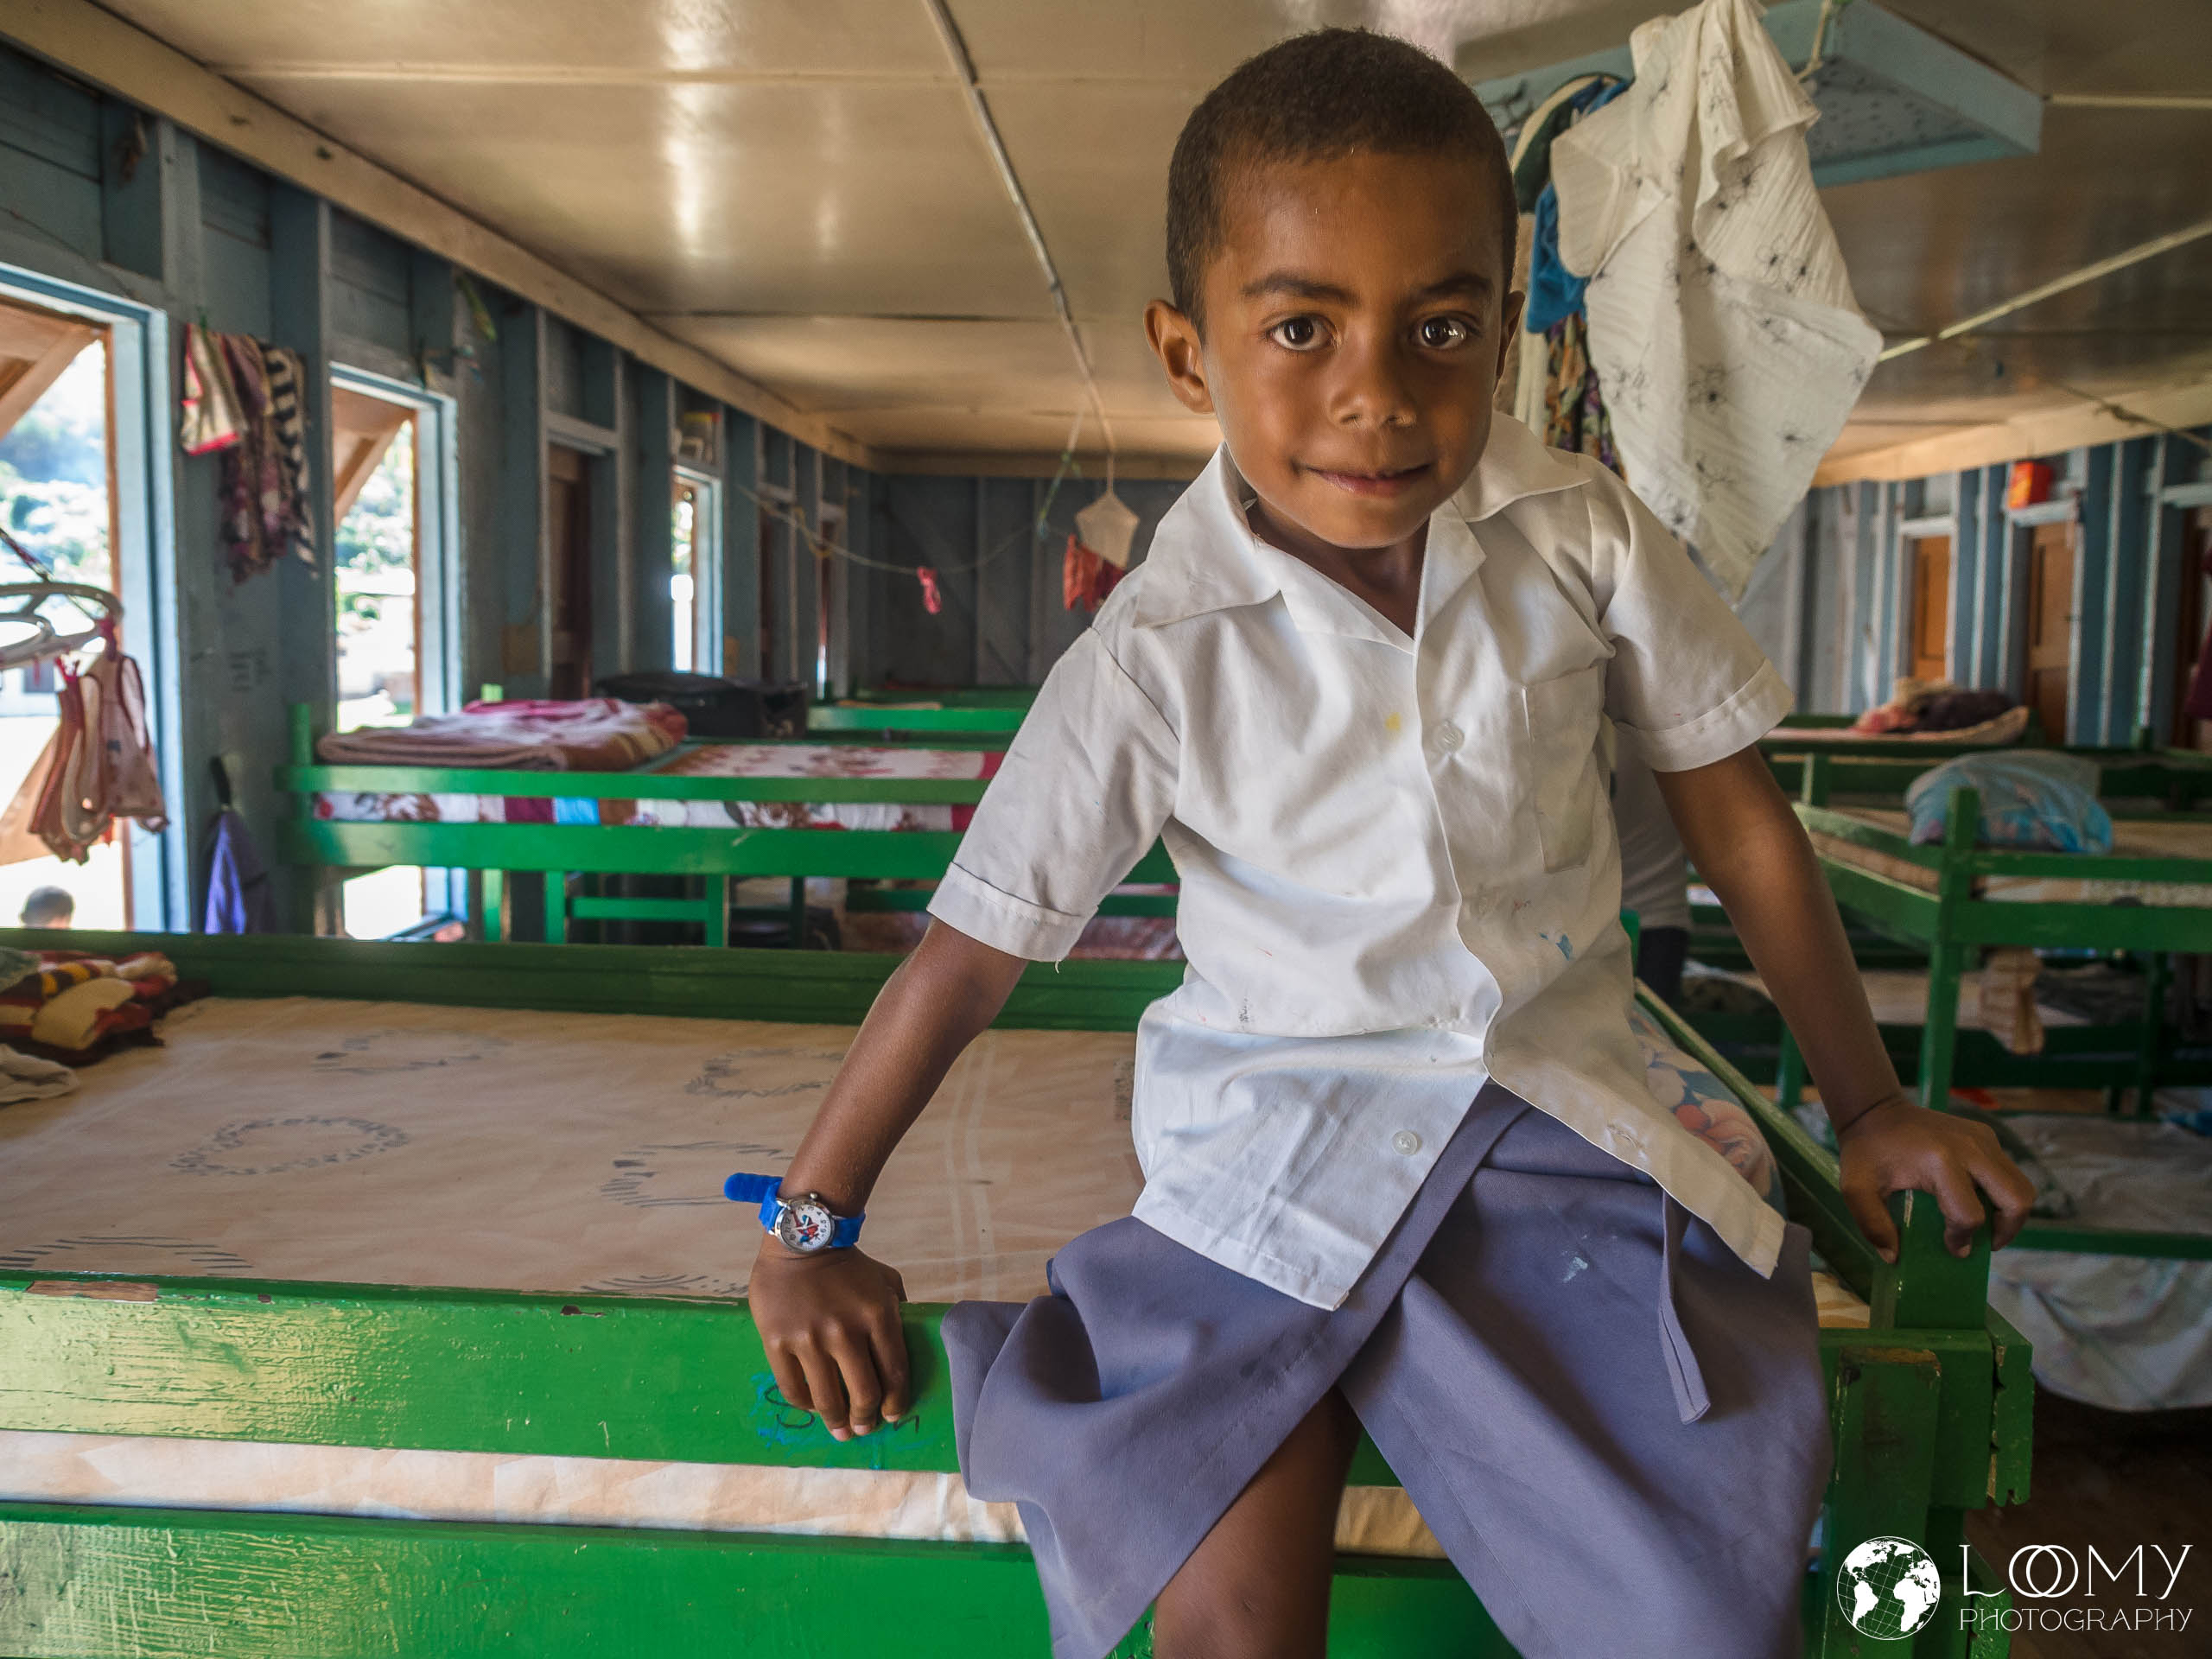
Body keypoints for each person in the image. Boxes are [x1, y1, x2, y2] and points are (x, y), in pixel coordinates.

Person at [742, 29, 2035, 1659]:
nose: (1379, 393)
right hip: (1261, 1160)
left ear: (1505, 327)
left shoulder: (1582, 537)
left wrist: (1869, 1105)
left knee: (1700, 1605)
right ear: (1186, 352)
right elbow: (970, 951)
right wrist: (811, 1226)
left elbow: (1740, 820)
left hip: (1547, 1135)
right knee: (1219, 1603)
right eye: (1301, 325)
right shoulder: (1155, 651)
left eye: (1442, 326)